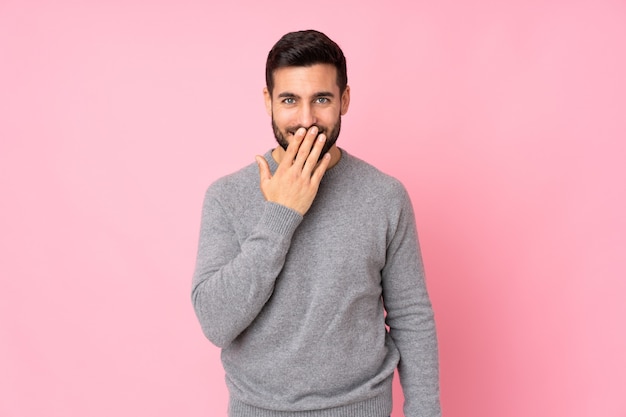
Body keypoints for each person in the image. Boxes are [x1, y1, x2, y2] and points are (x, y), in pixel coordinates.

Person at [191, 29, 441, 417]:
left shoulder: (385, 196)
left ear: (344, 100)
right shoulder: (227, 196)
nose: (306, 119)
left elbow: (411, 316)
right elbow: (216, 323)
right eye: (289, 100)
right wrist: (282, 214)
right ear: (268, 101)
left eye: (321, 99)